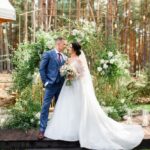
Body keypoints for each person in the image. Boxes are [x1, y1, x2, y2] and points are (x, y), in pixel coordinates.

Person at [44, 42, 144, 149]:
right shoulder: (68, 59)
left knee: (77, 106)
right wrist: (66, 74)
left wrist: (73, 75)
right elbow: (64, 69)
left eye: (70, 47)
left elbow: (83, 74)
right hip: (68, 87)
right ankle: (65, 128)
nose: (68, 48)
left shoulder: (78, 59)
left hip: (76, 85)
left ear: (74, 49)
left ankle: (80, 129)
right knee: (67, 106)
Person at [38, 37, 67, 140]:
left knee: (60, 107)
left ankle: (58, 128)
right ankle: (42, 130)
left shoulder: (65, 57)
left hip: (61, 86)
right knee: (45, 107)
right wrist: (45, 82)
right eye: (64, 44)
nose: (65, 46)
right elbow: (42, 68)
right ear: (58, 44)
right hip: (50, 85)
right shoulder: (48, 54)